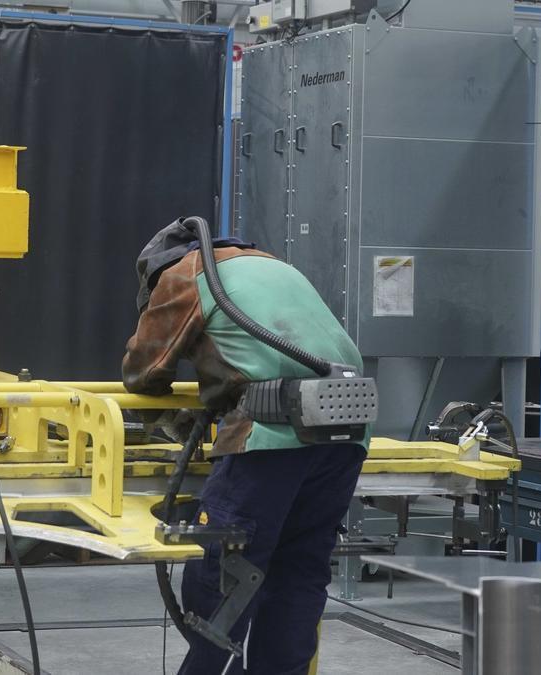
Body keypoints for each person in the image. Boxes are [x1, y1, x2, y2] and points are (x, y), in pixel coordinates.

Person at [122, 219, 370, 674]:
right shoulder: (271, 267)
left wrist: (171, 419)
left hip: (270, 434)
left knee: (225, 573)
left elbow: (143, 371)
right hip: (347, 432)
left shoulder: (186, 273)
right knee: (298, 573)